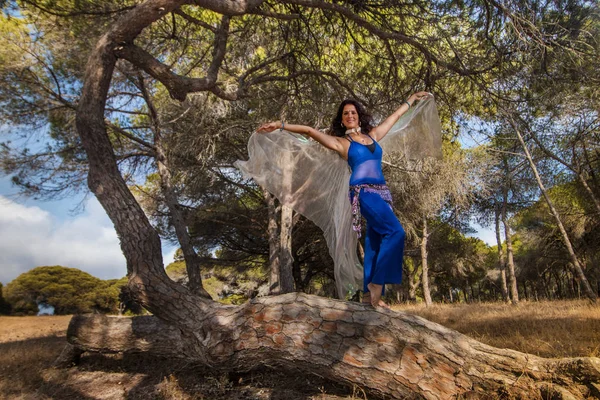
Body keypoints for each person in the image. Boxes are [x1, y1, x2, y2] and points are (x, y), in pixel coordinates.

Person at [257, 92, 431, 308]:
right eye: (346, 113)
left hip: (382, 193)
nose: (350, 115)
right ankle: (377, 284)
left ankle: (369, 296)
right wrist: (279, 125)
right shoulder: (341, 143)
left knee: (375, 241)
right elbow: (309, 131)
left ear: (359, 116)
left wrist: (411, 99)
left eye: (353, 112)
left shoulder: (374, 136)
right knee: (396, 232)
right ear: (342, 119)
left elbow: (393, 117)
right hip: (362, 192)